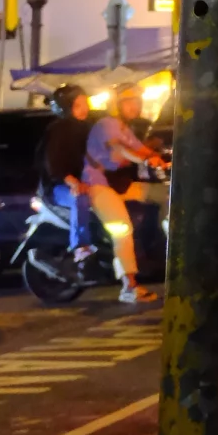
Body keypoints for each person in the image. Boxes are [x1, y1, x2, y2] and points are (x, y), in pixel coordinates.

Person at [83, 84, 161, 303]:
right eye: (129, 102)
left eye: (137, 101)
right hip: (97, 185)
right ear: (116, 105)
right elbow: (120, 149)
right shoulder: (106, 124)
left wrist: (161, 158)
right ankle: (129, 286)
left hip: (119, 186)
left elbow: (141, 149)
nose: (135, 106)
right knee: (122, 229)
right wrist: (145, 159)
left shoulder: (125, 128)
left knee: (164, 193)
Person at [41, 87, 93, 251]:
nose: (84, 109)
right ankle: (81, 247)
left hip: (86, 182)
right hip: (58, 188)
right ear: (66, 108)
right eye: (78, 105)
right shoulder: (58, 130)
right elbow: (54, 165)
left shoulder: (88, 128)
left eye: (85, 103)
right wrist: (74, 183)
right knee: (79, 198)